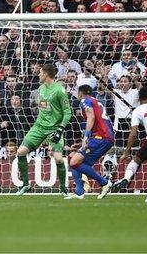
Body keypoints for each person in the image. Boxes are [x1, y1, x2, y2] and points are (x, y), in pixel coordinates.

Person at [15, 64, 71, 196]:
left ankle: (63, 189)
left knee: (58, 159)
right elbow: (44, 106)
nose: (38, 74)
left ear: (46, 74)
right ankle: (25, 185)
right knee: (21, 152)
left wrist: (60, 129)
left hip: (54, 128)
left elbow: (68, 113)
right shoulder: (41, 88)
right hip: (39, 127)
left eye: (40, 72)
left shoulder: (59, 90)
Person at [64, 85, 115, 200]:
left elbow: (91, 117)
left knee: (74, 161)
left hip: (100, 137)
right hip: (106, 138)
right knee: (76, 160)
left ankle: (104, 182)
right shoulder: (95, 101)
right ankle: (79, 192)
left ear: (80, 93)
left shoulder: (84, 100)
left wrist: (86, 136)